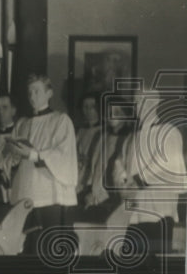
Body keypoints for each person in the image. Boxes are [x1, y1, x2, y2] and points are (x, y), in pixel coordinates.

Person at [0, 74, 78, 254]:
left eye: (37, 91)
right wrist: (13, 155)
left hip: (49, 194)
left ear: (49, 93)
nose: (32, 96)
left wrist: (33, 154)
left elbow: (63, 155)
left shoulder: (60, 120)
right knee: (27, 249)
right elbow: (13, 161)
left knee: (48, 248)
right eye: (30, 92)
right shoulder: (22, 123)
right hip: (25, 192)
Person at [113, 92, 187, 255]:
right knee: (132, 257)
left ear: (155, 103)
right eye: (137, 102)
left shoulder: (168, 131)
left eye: (144, 101)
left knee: (156, 260)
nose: (140, 106)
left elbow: (168, 162)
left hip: (158, 208)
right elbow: (119, 162)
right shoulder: (131, 137)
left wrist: (138, 181)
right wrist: (124, 182)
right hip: (134, 206)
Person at [75, 91, 103, 201]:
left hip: (91, 181)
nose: (88, 110)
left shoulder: (103, 131)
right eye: (85, 106)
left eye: (92, 106)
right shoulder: (80, 131)